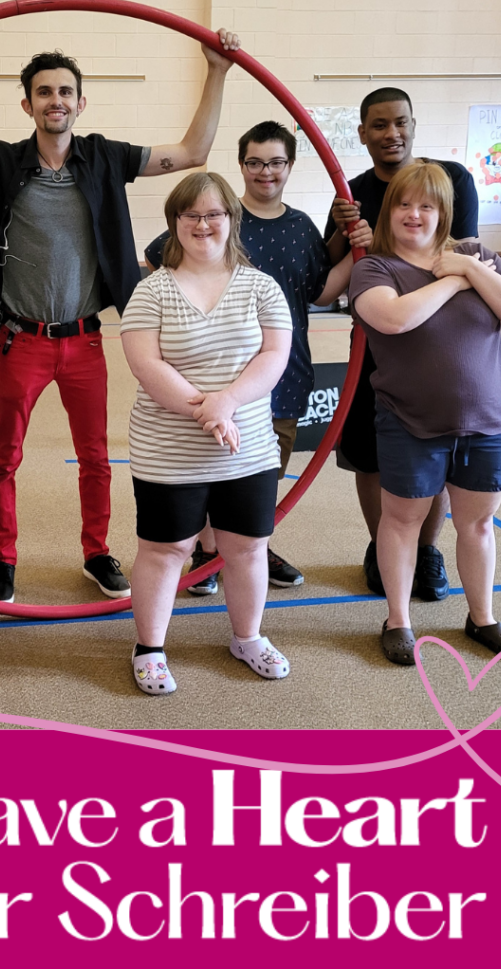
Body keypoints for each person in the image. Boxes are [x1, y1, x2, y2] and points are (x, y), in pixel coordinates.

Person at [0, 32, 241, 604]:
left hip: (86, 339)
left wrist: (216, 70)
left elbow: (192, 153)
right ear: (28, 105)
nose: (56, 100)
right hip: (22, 339)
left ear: (81, 103)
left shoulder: (107, 157)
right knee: (4, 458)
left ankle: (96, 551)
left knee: (96, 457)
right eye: (44, 92)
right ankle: (4, 560)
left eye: (66, 91)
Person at [144, 121, 370, 595]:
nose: (265, 171)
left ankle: (246, 548)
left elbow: (321, 291)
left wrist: (357, 247)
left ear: (289, 166)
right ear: (242, 165)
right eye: (254, 162)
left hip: (279, 376)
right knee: (201, 467)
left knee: (257, 479)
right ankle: (208, 555)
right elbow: (163, 267)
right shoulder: (212, 218)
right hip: (203, 383)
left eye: (276, 162)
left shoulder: (300, 227)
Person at [347, 162, 501, 665]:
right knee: (402, 520)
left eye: (427, 205)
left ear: (444, 212)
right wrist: (454, 281)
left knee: (477, 525)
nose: (414, 214)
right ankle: (398, 620)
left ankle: (482, 617)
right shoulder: (375, 268)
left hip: (488, 420)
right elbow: (394, 317)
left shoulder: (476, 255)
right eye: (404, 204)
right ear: (390, 211)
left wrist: (468, 267)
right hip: (411, 421)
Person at [121, 172, 294, 694]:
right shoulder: (152, 291)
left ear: (231, 220)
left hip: (248, 451)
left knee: (246, 547)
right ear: (176, 222)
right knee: (166, 549)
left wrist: (228, 401)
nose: (202, 223)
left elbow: (274, 355)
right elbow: (145, 364)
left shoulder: (261, 286)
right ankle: (149, 647)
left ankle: (247, 637)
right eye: (191, 214)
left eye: (214, 213)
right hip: (168, 452)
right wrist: (209, 411)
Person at [324, 87, 480, 601]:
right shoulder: (349, 192)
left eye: (401, 122)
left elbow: (460, 253)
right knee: (369, 454)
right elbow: (332, 275)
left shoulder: (451, 178)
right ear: (363, 133)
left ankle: (426, 549)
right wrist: (350, 236)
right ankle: (383, 545)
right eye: (380, 125)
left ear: (414, 124)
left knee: (434, 452)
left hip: (439, 343)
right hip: (375, 342)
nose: (392, 133)